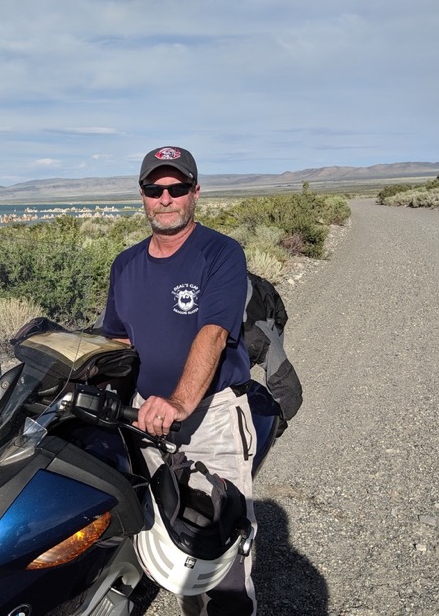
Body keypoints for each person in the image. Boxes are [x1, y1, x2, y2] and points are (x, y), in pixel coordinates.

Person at [101, 146, 257, 616]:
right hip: (146, 417)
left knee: (221, 544)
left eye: (177, 188)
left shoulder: (220, 253)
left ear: (195, 192)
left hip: (208, 416)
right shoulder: (125, 264)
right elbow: (117, 340)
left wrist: (180, 403)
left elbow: (212, 333)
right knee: (175, 541)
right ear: (143, 195)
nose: (165, 198)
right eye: (154, 188)